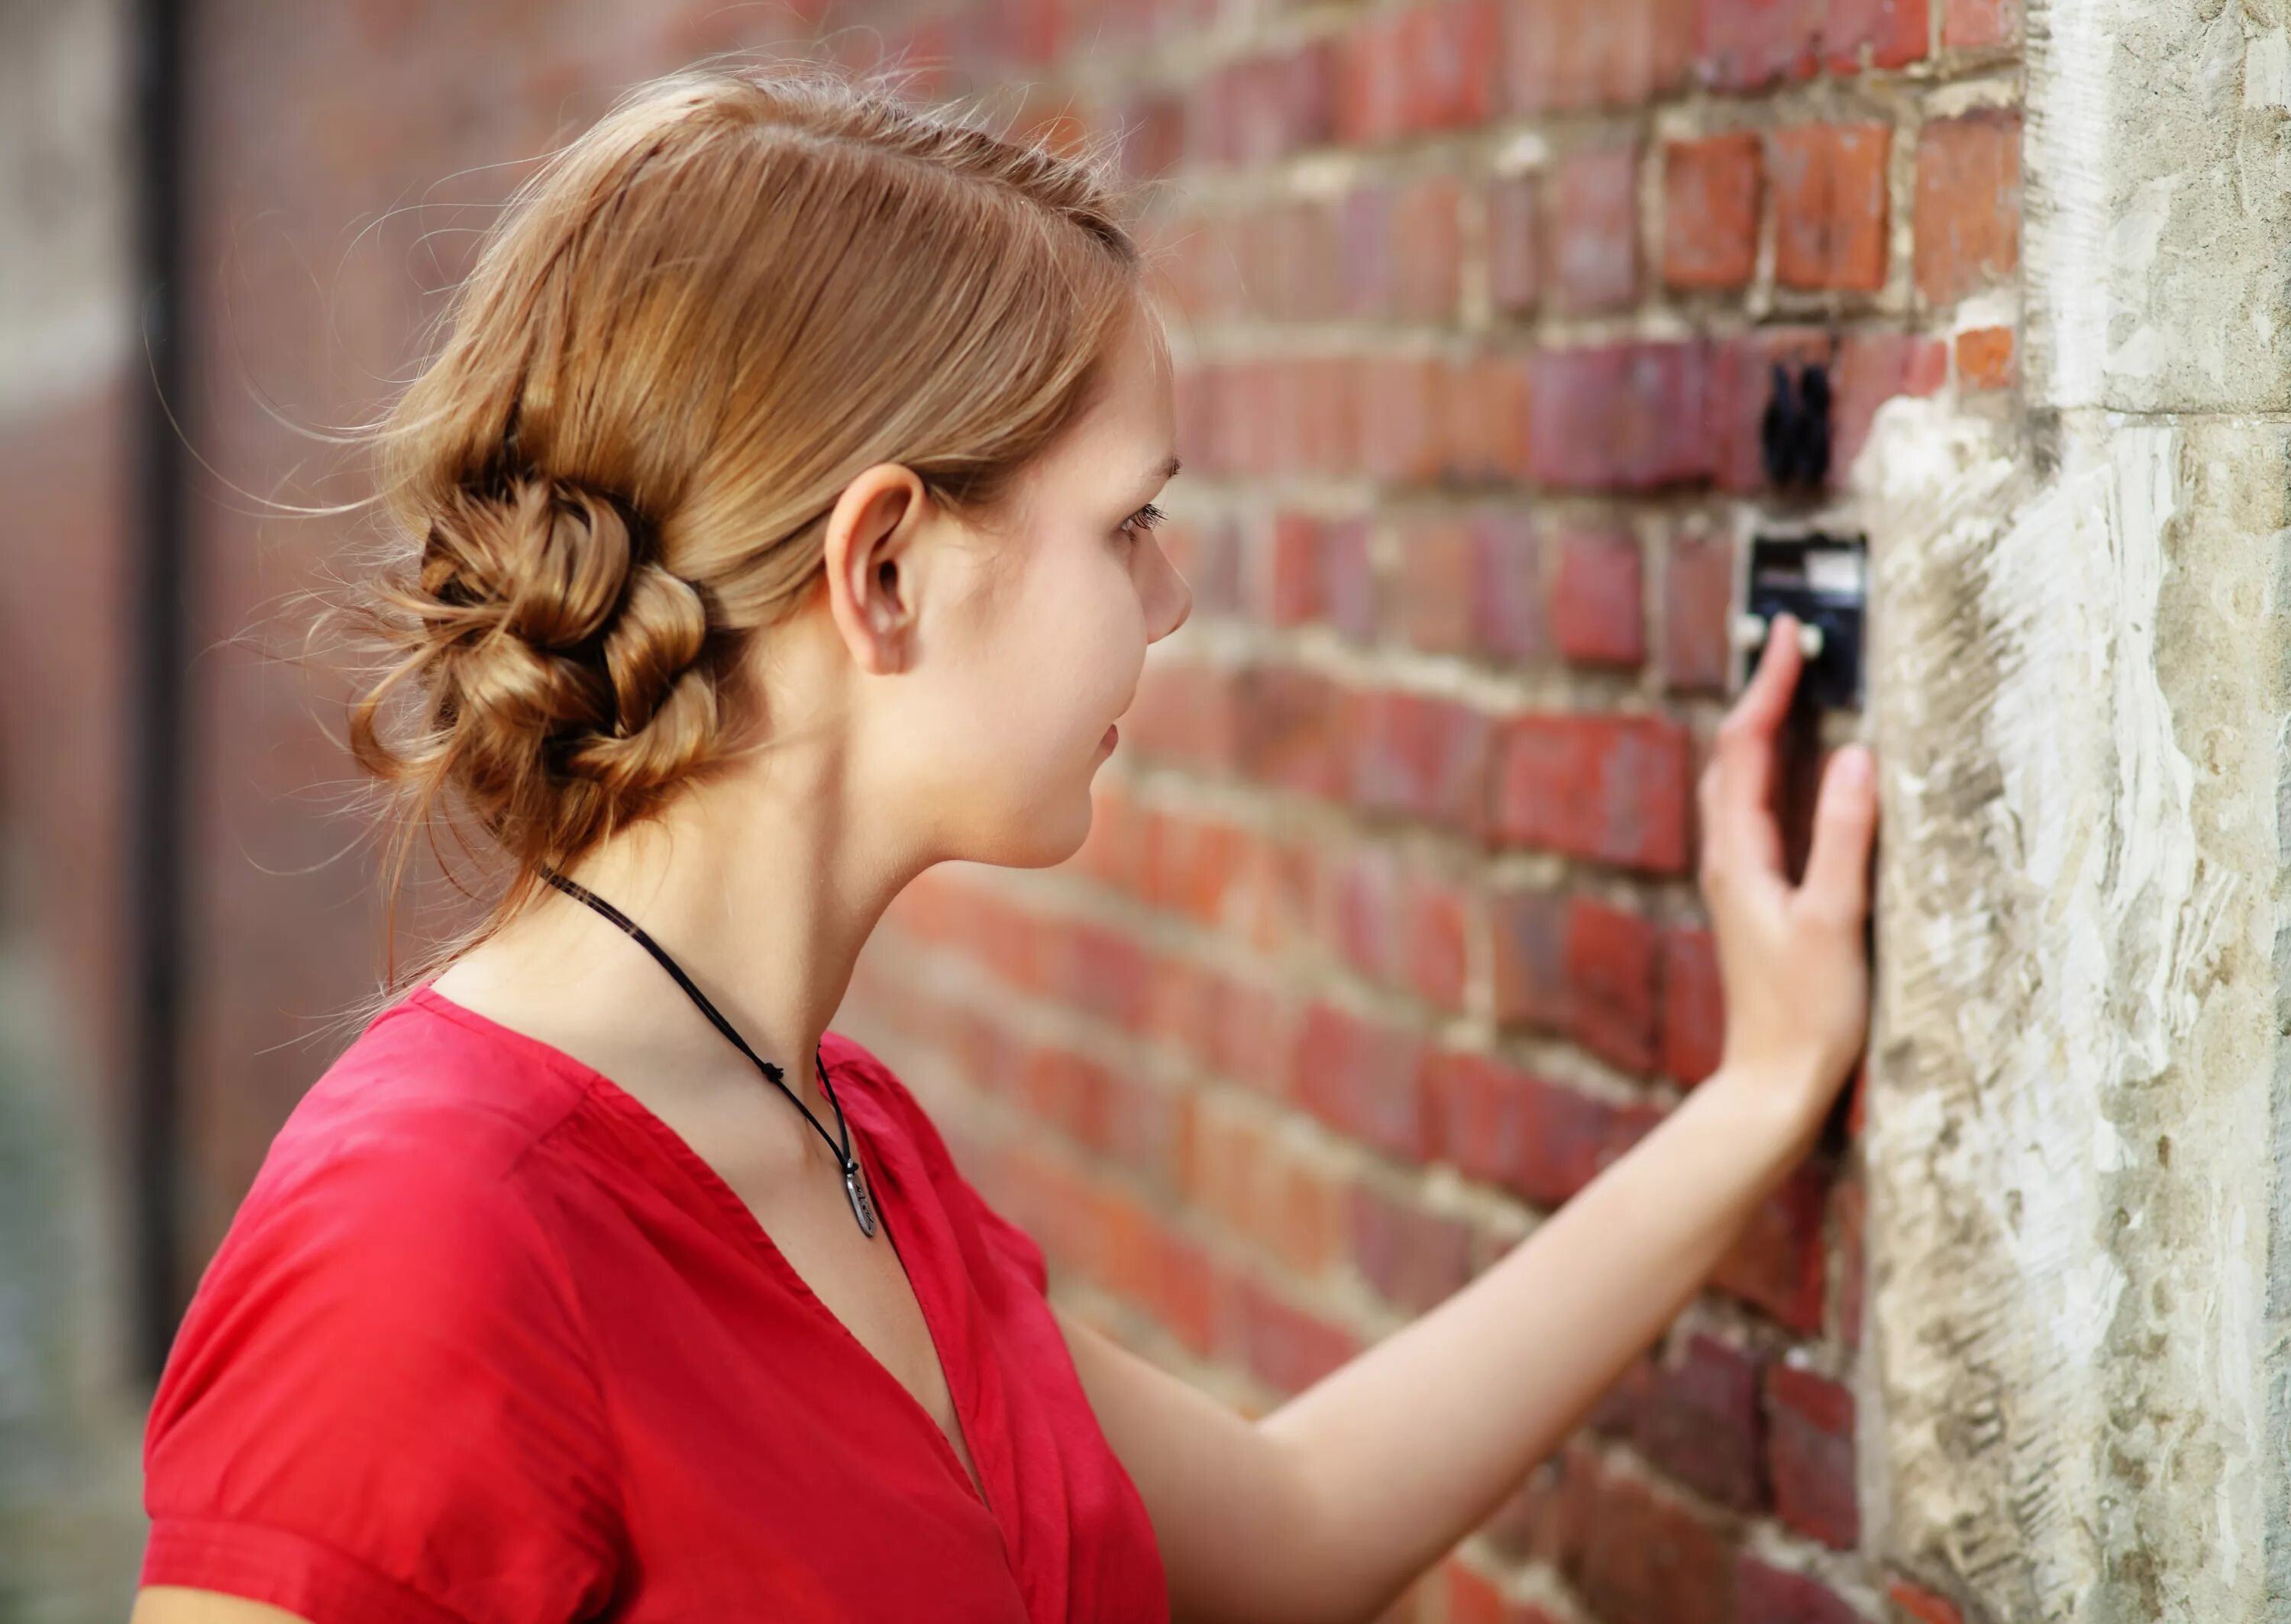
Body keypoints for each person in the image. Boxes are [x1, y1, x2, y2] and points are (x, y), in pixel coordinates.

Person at [130, 58, 1879, 1624]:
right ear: (884, 567)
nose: (1171, 599)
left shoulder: (845, 1141)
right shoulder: (427, 1237)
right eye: (1130, 524)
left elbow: (1299, 1521)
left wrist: (1761, 1088)